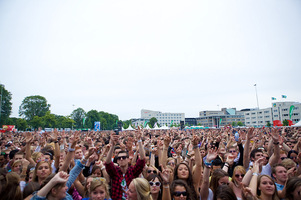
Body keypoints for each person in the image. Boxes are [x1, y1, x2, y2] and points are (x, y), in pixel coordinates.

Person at [105, 130, 146, 200]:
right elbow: (108, 163)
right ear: (117, 160)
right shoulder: (115, 172)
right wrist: (112, 145)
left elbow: (142, 159)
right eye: (119, 158)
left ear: (128, 159)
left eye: (124, 157)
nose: (121, 159)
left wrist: (139, 140)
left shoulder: (133, 171)